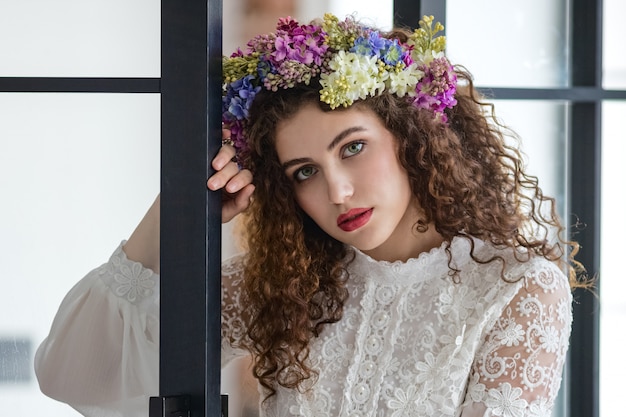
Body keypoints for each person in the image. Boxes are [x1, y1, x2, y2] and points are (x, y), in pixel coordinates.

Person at [35, 13, 588, 417]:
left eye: (352, 147)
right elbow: (74, 373)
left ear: (411, 137)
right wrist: (179, 204)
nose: (339, 191)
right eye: (304, 171)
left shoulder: (515, 287)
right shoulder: (286, 287)